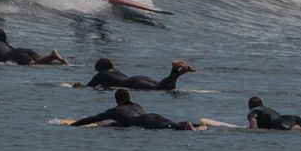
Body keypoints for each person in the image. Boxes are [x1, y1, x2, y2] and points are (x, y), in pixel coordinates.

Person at [70, 89, 203, 130]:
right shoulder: (136, 105)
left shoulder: (116, 110)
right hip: (152, 115)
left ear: (117, 100)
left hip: (143, 122)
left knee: (170, 127)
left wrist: (73, 124)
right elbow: (124, 122)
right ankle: (197, 125)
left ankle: (187, 128)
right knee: (171, 123)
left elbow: (93, 118)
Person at [78, 59, 196, 91]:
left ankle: (174, 68)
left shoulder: (101, 75)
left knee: (159, 88)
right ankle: (180, 72)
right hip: (139, 77)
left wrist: (78, 86)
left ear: (99, 68)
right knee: (169, 88)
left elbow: (89, 87)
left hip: (133, 82)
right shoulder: (116, 70)